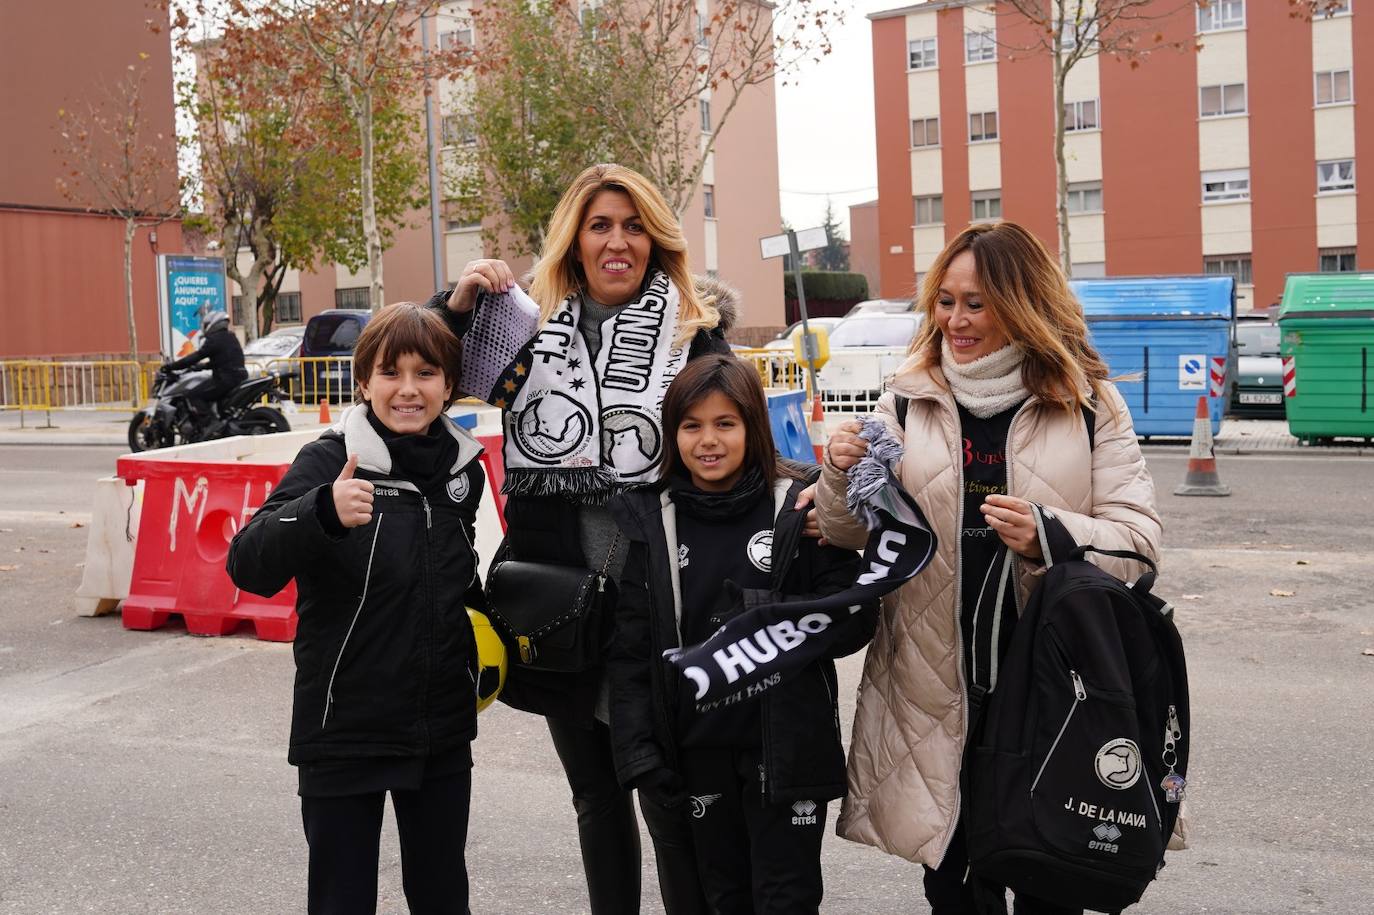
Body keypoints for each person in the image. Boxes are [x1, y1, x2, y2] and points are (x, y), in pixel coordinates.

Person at [813, 221, 1162, 915]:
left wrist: (1051, 533)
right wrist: (838, 470)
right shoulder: (907, 398)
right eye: (946, 300)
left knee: (1048, 879)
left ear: (1021, 300)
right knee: (953, 884)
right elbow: (850, 531)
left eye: (977, 302)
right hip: (936, 690)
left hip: (1053, 694)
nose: (956, 319)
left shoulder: (1087, 402)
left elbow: (1140, 545)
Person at [430, 163, 735, 914]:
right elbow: (417, 373)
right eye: (600, 224)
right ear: (575, 239)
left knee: (666, 794)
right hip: (563, 598)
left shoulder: (693, 339)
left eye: (633, 225)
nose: (617, 241)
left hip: (658, 604)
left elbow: (730, 457)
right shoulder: (522, 331)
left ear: (656, 239)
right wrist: (457, 303)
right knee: (596, 798)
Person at [226, 303, 485, 915]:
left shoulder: (461, 470)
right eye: (389, 373)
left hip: (439, 729)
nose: (408, 389)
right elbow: (247, 564)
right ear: (364, 382)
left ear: (448, 384)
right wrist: (320, 510)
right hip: (345, 729)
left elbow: (457, 582)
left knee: (443, 895)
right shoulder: (330, 460)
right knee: (342, 902)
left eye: (426, 373)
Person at [608, 355, 876, 915]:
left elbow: (853, 622)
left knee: (787, 898)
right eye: (692, 425)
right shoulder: (650, 518)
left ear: (753, 426)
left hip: (787, 753)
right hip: (696, 752)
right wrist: (640, 753)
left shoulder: (800, 503)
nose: (709, 441)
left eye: (725, 424)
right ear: (672, 431)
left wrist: (766, 614)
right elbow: (631, 648)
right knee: (721, 898)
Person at [161, 309, 247, 414]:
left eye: (205, 324)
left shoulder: (214, 340)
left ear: (213, 324)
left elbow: (196, 356)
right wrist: (200, 367)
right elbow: (223, 360)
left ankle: (210, 424)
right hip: (239, 376)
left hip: (225, 379)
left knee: (193, 395)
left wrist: (172, 366)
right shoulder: (230, 337)